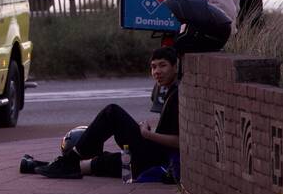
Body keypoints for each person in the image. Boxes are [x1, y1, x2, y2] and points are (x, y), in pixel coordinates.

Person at [30, 48, 180, 180]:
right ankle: (38, 165)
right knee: (103, 161)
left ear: (175, 67)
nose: (157, 72)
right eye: (153, 67)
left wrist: (147, 134)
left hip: (157, 159)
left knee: (112, 112)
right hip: (151, 155)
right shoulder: (172, 92)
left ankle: (69, 162)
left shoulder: (177, 96)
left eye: (162, 65)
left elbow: (179, 141)